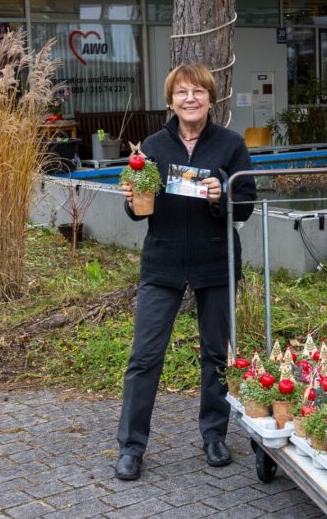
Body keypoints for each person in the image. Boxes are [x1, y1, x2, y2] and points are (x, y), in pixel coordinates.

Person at [114, 63, 256, 481]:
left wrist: (221, 193)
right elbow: (136, 211)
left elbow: (245, 205)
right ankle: (131, 447)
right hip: (164, 263)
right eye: (182, 93)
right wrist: (132, 196)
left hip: (215, 261)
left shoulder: (230, 145)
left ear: (212, 99)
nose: (190, 99)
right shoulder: (153, 146)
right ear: (170, 100)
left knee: (216, 355)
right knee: (144, 356)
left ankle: (214, 435)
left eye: (198, 92)